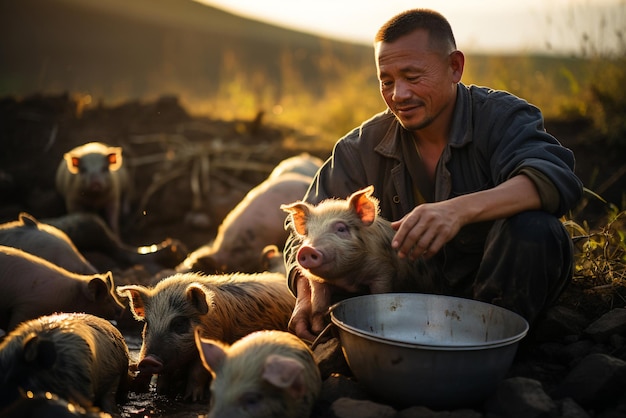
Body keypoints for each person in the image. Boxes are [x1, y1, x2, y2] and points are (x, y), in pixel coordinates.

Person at [283, 8, 584, 342]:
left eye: (413, 77)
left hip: (496, 286)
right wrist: (306, 295)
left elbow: (554, 176)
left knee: (534, 228)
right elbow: (303, 233)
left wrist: (459, 210)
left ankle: (498, 347)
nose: (399, 95)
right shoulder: (359, 147)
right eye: (387, 81)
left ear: (454, 67)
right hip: (404, 300)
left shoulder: (500, 117)